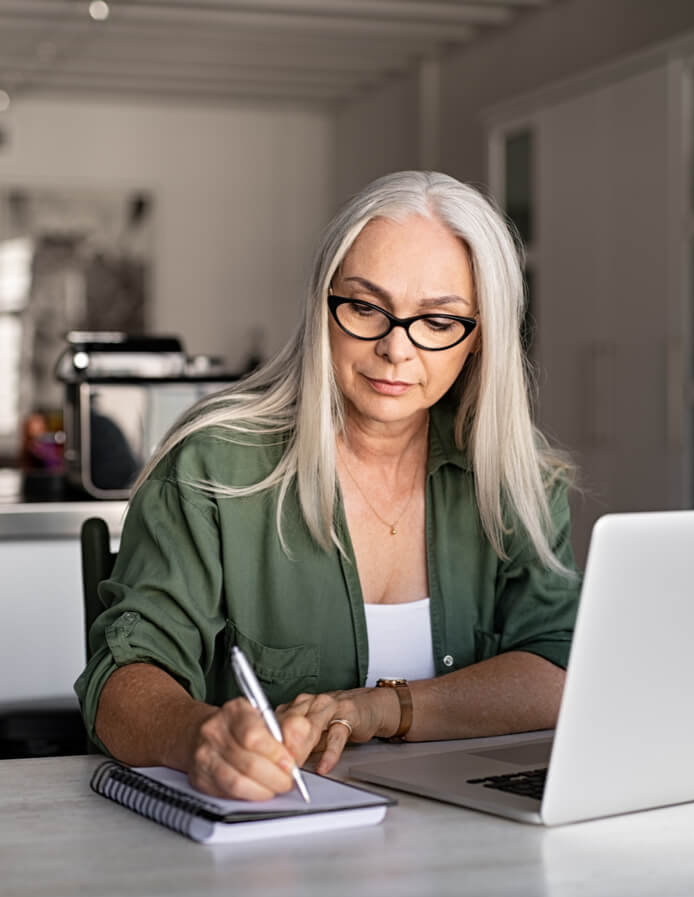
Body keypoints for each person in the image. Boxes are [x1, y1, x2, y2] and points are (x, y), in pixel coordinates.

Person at [75, 171, 580, 802]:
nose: (396, 348)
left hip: (473, 829)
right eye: (367, 307)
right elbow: (121, 680)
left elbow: (559, 669)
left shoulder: (517, 476)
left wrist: (379, 709)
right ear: (323, 306)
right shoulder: (211, 464)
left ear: (479, 339)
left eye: (439, 320)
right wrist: (197, 736)